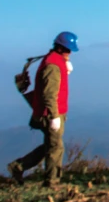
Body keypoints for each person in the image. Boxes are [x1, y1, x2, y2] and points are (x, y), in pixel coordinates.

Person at [8, 31, 78, 188]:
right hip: (50, 113)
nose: (70, 53)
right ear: (60, 48)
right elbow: (49, 94)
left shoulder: (54, 61)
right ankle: (51, 181)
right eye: (68, 50)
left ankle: (18, 167)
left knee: (50, 145)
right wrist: (54, 116)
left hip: (50, 111)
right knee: (55, 147)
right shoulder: (53, 65)